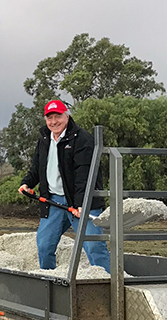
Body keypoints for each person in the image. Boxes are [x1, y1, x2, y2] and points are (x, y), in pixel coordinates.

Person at [18, 100, 111, 272]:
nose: (54, 122)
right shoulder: (44, 139)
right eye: (49, 118)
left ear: (66, 116)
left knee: (93, 247)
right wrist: (26, 183)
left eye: (58, 116)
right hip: (53, 201)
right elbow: (37, 168)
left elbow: (84, 175)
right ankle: (49, 282)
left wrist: (80, 204)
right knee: (44, 245)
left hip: (82, 203)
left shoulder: (82, 139)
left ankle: (109, 285)